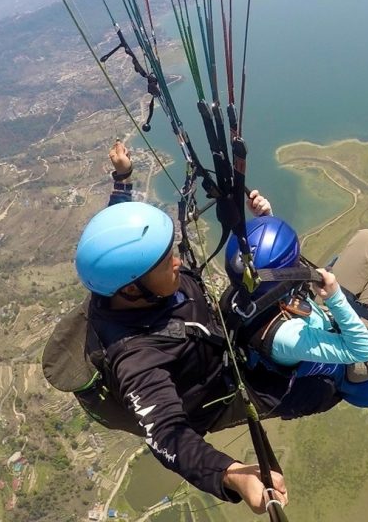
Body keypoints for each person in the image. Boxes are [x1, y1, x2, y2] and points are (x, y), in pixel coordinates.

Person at [73, 140, 287, 515]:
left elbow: (117, 237)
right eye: (163, 261)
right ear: (132, 287)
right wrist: (232, 475)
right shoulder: (136, 358)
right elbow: (167, 436)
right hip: (220, 391)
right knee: (328, 380)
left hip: (216, 338)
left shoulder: (122, 285)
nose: (176, 263)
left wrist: (122, 177)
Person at [225, 216, 368, 392]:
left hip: (322, 316)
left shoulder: (251, 290)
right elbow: (362, 351)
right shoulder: (284, 337)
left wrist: (268, 219)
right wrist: (335, 299)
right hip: (353, 363)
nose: (297, 264)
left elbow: (275, 272)